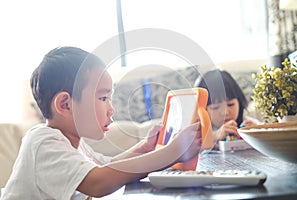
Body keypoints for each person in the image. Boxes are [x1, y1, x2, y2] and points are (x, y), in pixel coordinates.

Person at [2, 47, 203, 199]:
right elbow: (98, 182)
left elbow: (107, 166)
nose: (111, 109)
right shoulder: (43, 142)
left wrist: (145, 147)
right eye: (103, 99)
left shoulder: (71, 142)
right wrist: (173, 152)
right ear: (65, 104)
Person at [194, 69, 255, 142]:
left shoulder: (245, 121)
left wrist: (258, 133)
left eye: (230, 104)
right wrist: (214, 136)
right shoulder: (196, 129)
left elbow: (265, 129)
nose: (225, 113)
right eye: (215, 108)